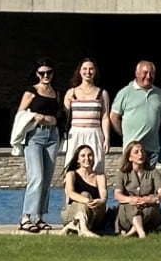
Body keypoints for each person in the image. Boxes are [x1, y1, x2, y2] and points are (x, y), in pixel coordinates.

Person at [14, 59, 62, 233]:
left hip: (52, 135)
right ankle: (26, 217)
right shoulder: (31, 91)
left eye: (48, 72)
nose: (45, 76)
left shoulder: (55, 92)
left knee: (47, 179)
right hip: (35, 136)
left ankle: (38, 216)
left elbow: (59, 113)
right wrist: (35, 116)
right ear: (36, 74)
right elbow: (20, 113)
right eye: (42, 73)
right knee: (36, 177)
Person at [107, 60, 161, 170]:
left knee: (149, 184)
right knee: (131, 184)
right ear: (137, 73)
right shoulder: (125, 92)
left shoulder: (160, 94)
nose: (148, 76)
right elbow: (113, 117)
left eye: (151, 73)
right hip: (132, 150)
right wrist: (124, 134)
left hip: (151, 150)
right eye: (145, 72)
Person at [61, 58, 109, 175]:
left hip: (94, 133)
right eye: (85, 69)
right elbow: (64, 115)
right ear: (80, 71)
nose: (88, 72)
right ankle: (71, 192)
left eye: (91, 69)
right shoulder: (71, 92)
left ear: (95, 71)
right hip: (76, 133)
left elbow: (105, 117)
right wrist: (67, 104)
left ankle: (96, 192)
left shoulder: (102, 93)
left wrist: (107, 138)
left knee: (96, 166)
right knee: (72, 167)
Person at [113, 141, 161, 239]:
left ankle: (133, 231)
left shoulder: (153, 172)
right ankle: (141, 233)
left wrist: (152, 199)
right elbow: (117, 195)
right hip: (128, 215)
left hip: (149, 213)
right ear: (130, 157)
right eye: (136, 152)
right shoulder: (122, 174)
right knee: (129, 205)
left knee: (151, 206)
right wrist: (131, 200)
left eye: (142, 151)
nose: (140, 154)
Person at [59, 143, 106, 237]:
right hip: (72, 212)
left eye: (90, 155)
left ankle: (75, 225)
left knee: (90, 200)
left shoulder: (100, 176)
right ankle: (83, 229)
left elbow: (103, 196)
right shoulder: (71, 174)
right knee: (85, 194)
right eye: (83, 156)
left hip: (94, 213)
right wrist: (87, 200)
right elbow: (71, 193)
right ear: (78, 160)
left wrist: (99, 201)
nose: (87, 158)